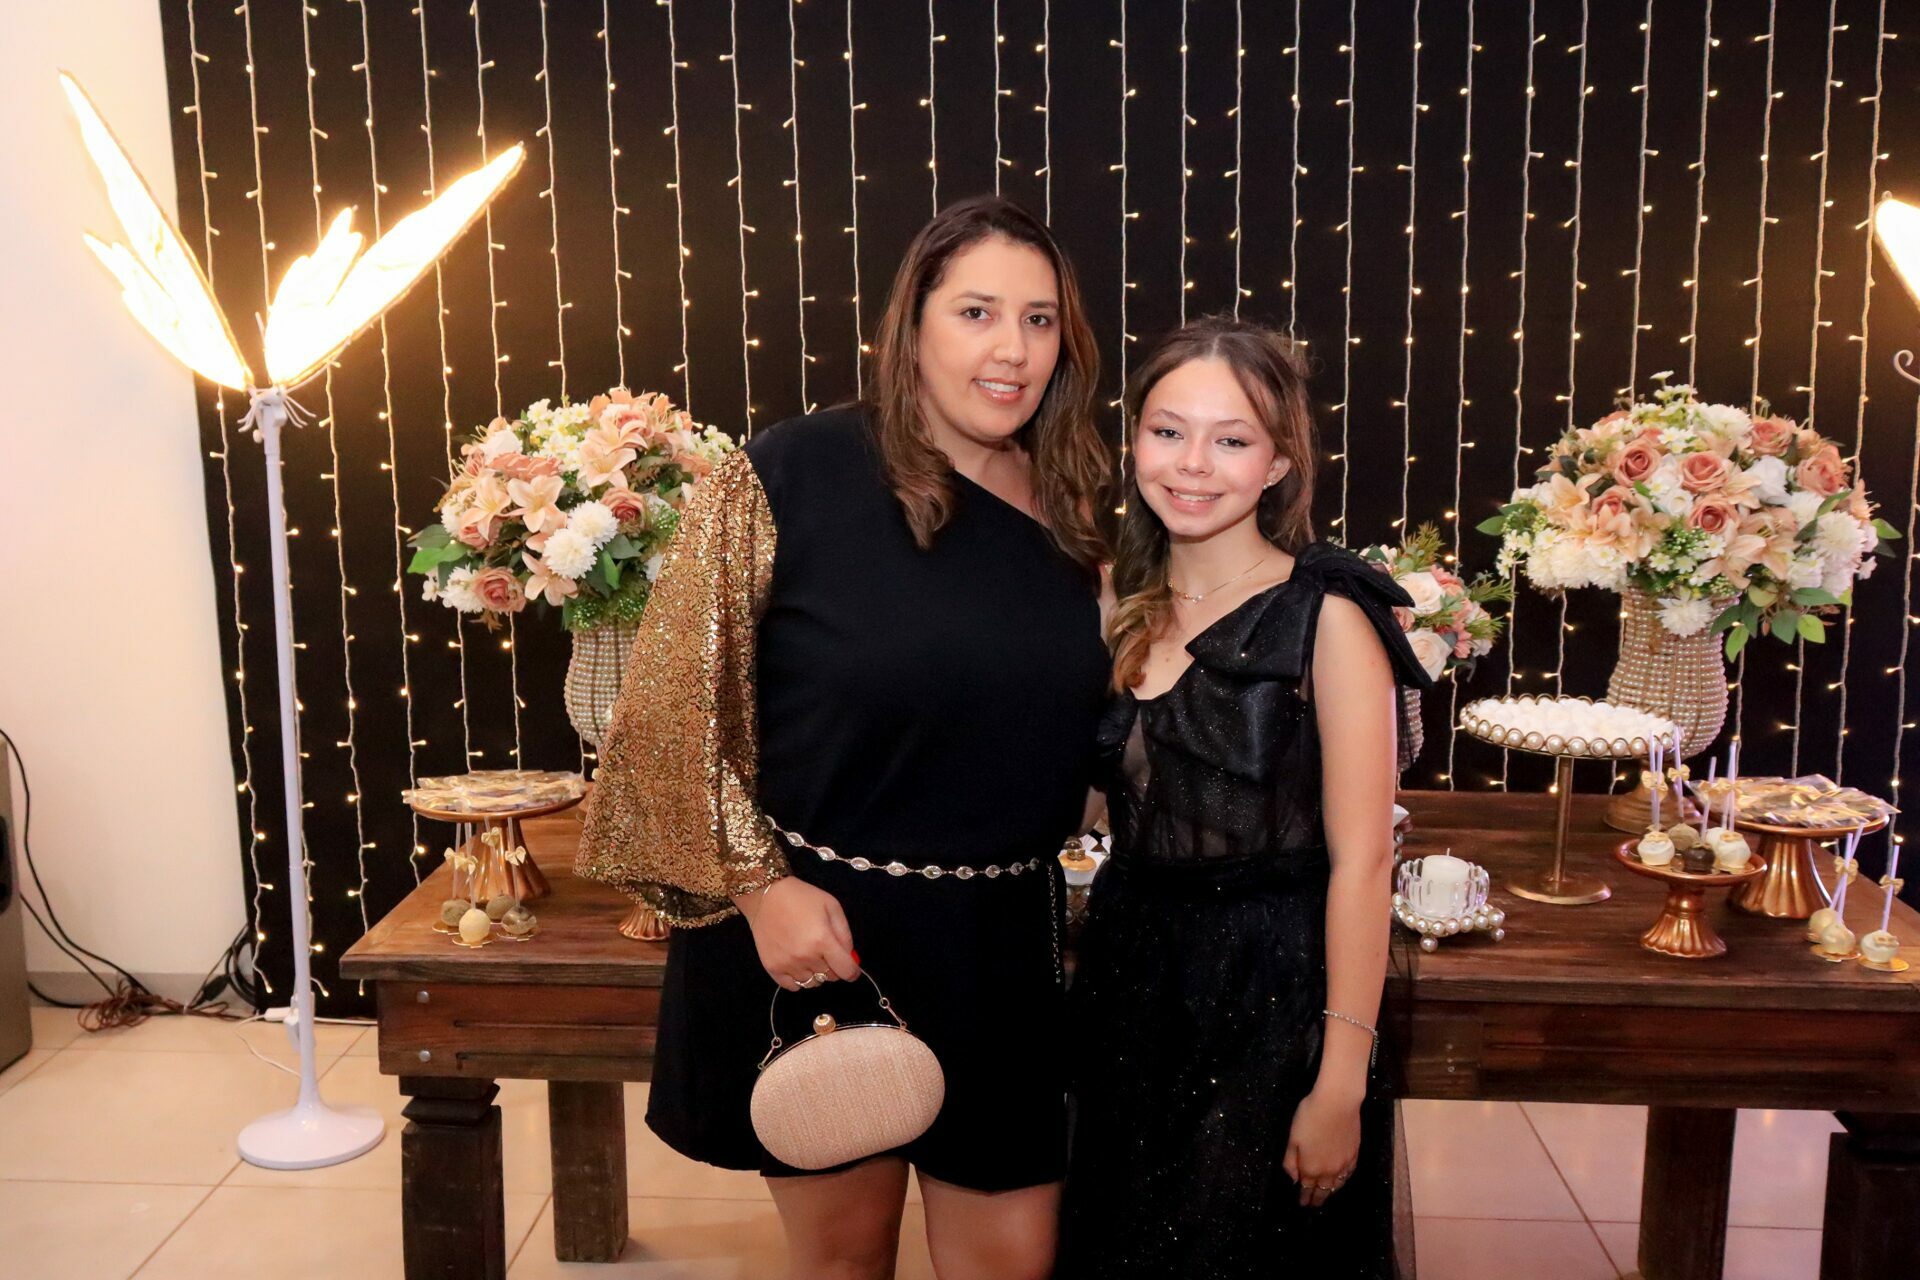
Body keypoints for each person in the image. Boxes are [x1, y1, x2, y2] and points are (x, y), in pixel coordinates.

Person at [577, 195, 1112, 1280]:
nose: (1012, 349)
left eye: (1040, 319)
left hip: (1004, 942)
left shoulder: (1085, 502)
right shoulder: (793, 471)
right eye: (976, 312)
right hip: (823, 935)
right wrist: (759, 890)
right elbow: (670, 711)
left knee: (1015, 1261)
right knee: (844, 1260)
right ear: (912, 323)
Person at [1056, 316, 1432, 1278]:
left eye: (1231, 440)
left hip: (1271, 996)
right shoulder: (1111, 603)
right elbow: (1092, 803)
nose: (1193, 464)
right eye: (1168, 431)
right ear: (1134, 440)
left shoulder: (1328, 617)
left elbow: (1364, 862)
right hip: (1129, 983)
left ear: (1278, 463)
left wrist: (1339, 1080)